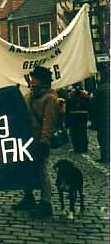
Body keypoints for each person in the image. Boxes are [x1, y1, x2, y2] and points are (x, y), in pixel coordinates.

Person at [12, 66, 59, 218]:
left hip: (39, 140)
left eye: (35, 79)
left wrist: (44, 141)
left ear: (43, 81)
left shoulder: (50, 98)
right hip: (27, 139)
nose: (32, 81)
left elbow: (48, 121)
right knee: (25, 168)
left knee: (42, 171)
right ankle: (28, 197)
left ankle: (46, 203)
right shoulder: (30, 96)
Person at [90, 67, 110, 163]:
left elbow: (94, 104)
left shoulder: (100, 89)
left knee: (103, 138)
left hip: (103, 118)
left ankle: (105, 157)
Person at [66, 84, 91, 153]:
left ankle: (77, 148)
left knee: (75, 132)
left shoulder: (71, 94)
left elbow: (69, 105)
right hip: (82, 114)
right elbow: (89, 103)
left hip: (75, 115)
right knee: (82, 132)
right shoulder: (84, 94)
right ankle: (83, 148)